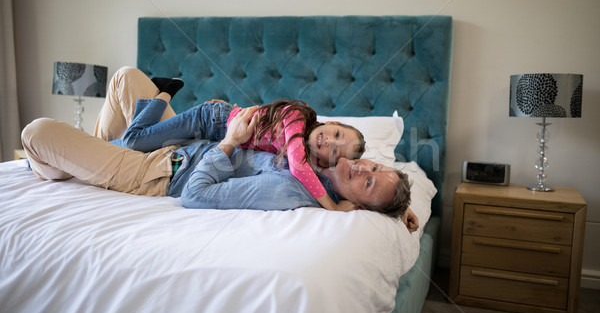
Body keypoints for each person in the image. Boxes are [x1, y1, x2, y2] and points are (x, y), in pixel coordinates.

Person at [21, 67, 417, 230]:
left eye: (368, 184)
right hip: (189, 139)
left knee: (37, 133)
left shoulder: (291, 189)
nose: (364, 172)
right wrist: (401, 205)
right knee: (126, 77)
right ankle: (85, 156)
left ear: (358, 206)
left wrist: (229, 143)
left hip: (160, 171)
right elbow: (364, 177)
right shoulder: (324, 157)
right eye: (373, 167)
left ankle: (61, 164)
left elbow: (195, 195)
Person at [117, 82, 366, 212]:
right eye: (337, 133)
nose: (330, 141)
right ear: (333, 122)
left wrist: (396, 211)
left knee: (135, 148)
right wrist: (332, 208)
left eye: (335, 151)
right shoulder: (298, 119)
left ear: (323, 161)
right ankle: (164, 92)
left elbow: (364, 181)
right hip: (211, 119)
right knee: (133, 140)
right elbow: (300, 168)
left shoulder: (306, 155)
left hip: (211, 137)